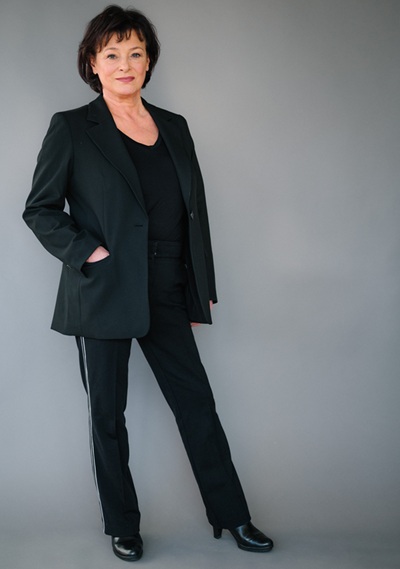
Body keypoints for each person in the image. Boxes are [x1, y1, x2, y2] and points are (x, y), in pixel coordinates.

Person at [23, 4, 273, 562]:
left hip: (165, 284)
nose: (124, 64)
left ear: (149, 62)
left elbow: (194, 214)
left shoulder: (175, 127)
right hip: (104, 287)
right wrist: (89, 252)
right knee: (107, 417)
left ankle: (232, 516)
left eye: (135, 53)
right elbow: (39, 209)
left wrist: (198, 285)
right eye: (111, 54)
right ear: (93, 63)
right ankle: (123, 525)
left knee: (197, 406)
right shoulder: (72, 127)